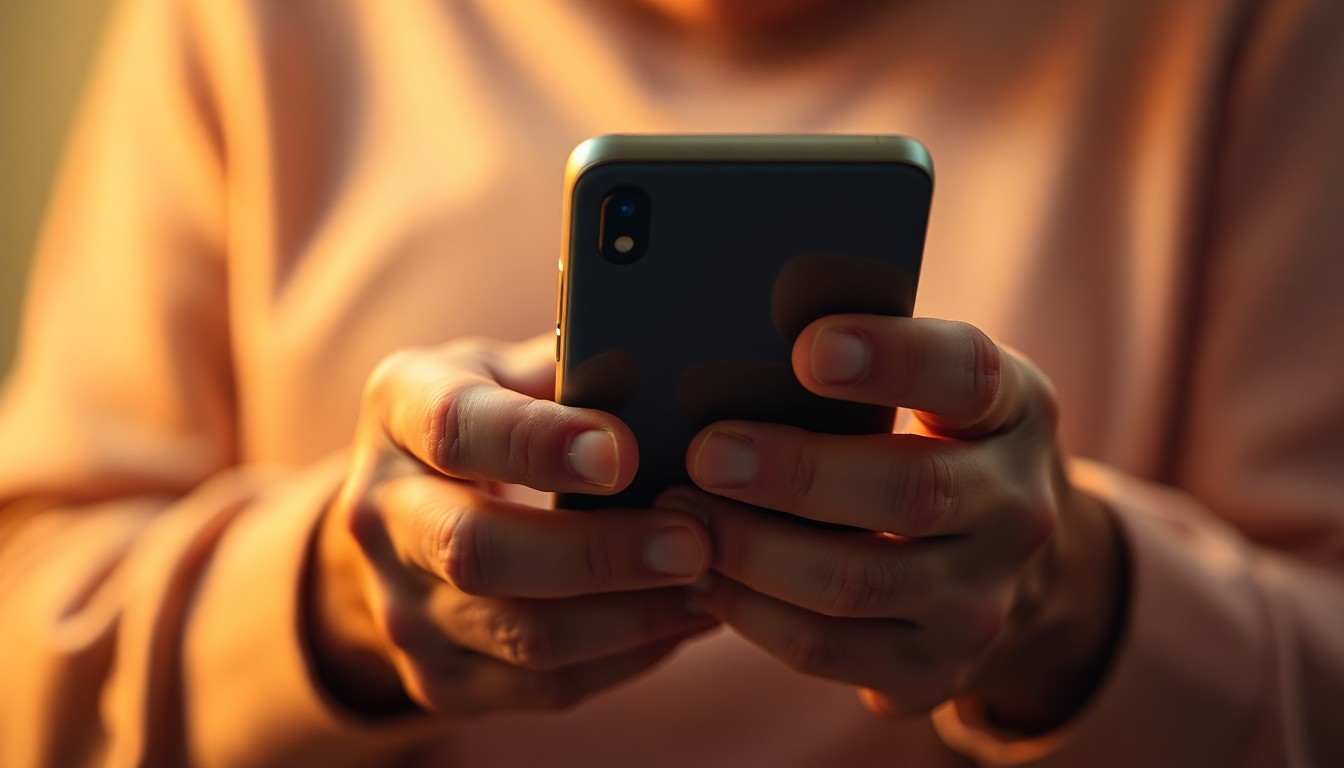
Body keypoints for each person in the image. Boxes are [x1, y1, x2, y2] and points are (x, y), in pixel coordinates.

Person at [0, 0, 1340, 765]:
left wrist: (1077, 607)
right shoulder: (243, 25)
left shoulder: (1248, 30)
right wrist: (335, 604)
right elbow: (26, 641)